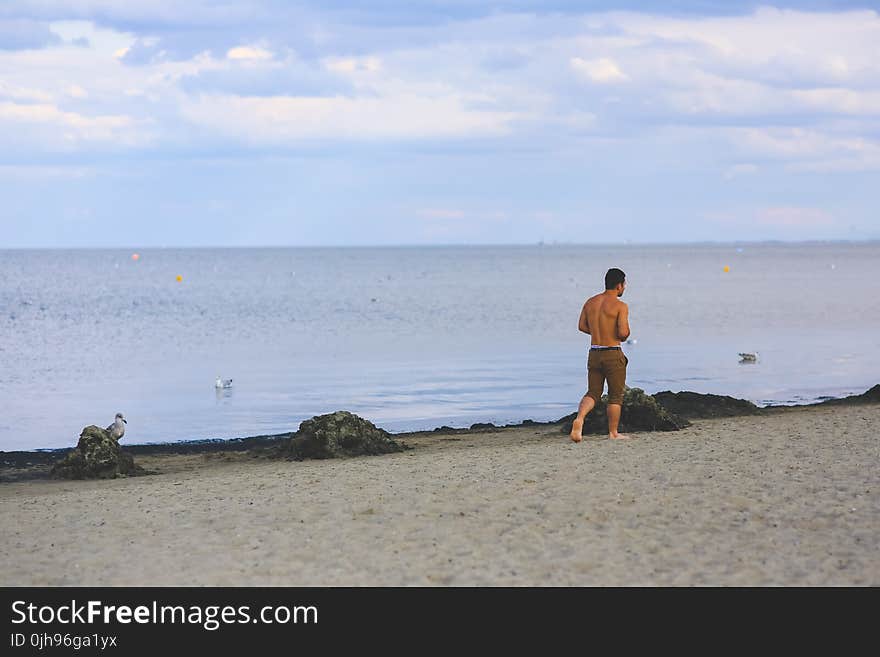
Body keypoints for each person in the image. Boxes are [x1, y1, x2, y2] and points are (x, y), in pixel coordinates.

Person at [570, 268, 630, 442]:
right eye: (624, 285)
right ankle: (613, 432)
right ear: (619, 285)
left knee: (593, 392)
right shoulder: (621, 306)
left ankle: (580, 418)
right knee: (615, 395)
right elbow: (623, 333)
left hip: (594, 353)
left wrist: (599, 332)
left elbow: (581, 326)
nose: (624, 288)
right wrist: (615, 334)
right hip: (612, 353)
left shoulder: (590, 302)